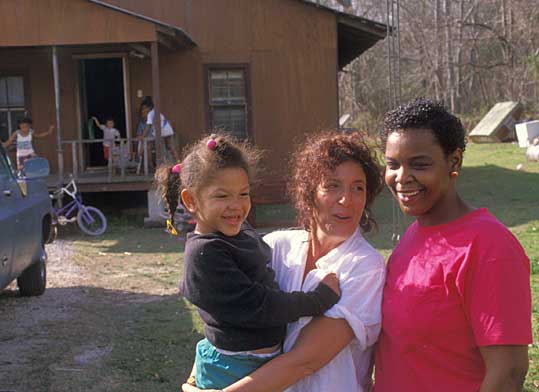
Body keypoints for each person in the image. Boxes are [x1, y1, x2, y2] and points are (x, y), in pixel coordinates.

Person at [182, 131, 386, 392]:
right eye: (333, 186)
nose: (347, 199)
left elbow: (303, 362)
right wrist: (196, 379)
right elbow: (225, 313)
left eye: (358, 187)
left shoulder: (364, 266)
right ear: (309, 192)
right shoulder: (277, 246)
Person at [155, 133, 342, 390]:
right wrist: (318, 299)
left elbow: (262, 254)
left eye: (243, 193)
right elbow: (260, 306)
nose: (236, 205)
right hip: (232, 368)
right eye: (222, 196)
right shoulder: (205, 254)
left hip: (258, 362)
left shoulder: (238, 233)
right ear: (191, 201)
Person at [374, 98, 532, 392]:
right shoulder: (412, 237)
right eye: (393, 164)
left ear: (454, 161)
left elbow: (508, 372)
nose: (402, 178)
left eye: (419, 164)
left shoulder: (488, 246)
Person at [139, 96, 179, 161]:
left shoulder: (150, 114)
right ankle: (178, 162)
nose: (143, 110)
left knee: (152, 144)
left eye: (144, 108)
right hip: (167, 129)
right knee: (170, 147)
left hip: (162, 131)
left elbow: (148, 126)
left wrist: (143, 136)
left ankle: (161, 163)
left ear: (149, 107)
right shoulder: (155, 111)